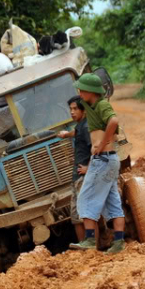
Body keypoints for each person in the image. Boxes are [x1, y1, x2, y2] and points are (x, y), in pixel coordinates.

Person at [69, 73, 126, 254]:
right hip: (109, 160)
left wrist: (102, 144)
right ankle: (118, 242)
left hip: (103, 158)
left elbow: (114, 121)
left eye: (81, 89)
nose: (79, 92)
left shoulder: (101, 105)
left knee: (84, 199)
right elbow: (78, 105)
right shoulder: (90, 105)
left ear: (90, 91)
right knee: (112, 202)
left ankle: (90, 239)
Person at [58, 95, 91, 241]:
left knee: (85, 215)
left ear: (83, 110)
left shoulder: (86, 127)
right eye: (70, 109)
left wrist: (89, 168)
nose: (71, 112)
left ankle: (91, 249)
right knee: (76, 216)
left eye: (75, 109)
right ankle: (86, 249)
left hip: (83, 177)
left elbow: (96, 149)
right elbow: (76, 133)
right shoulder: (80, 126)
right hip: (77, 177)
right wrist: (66, 135)